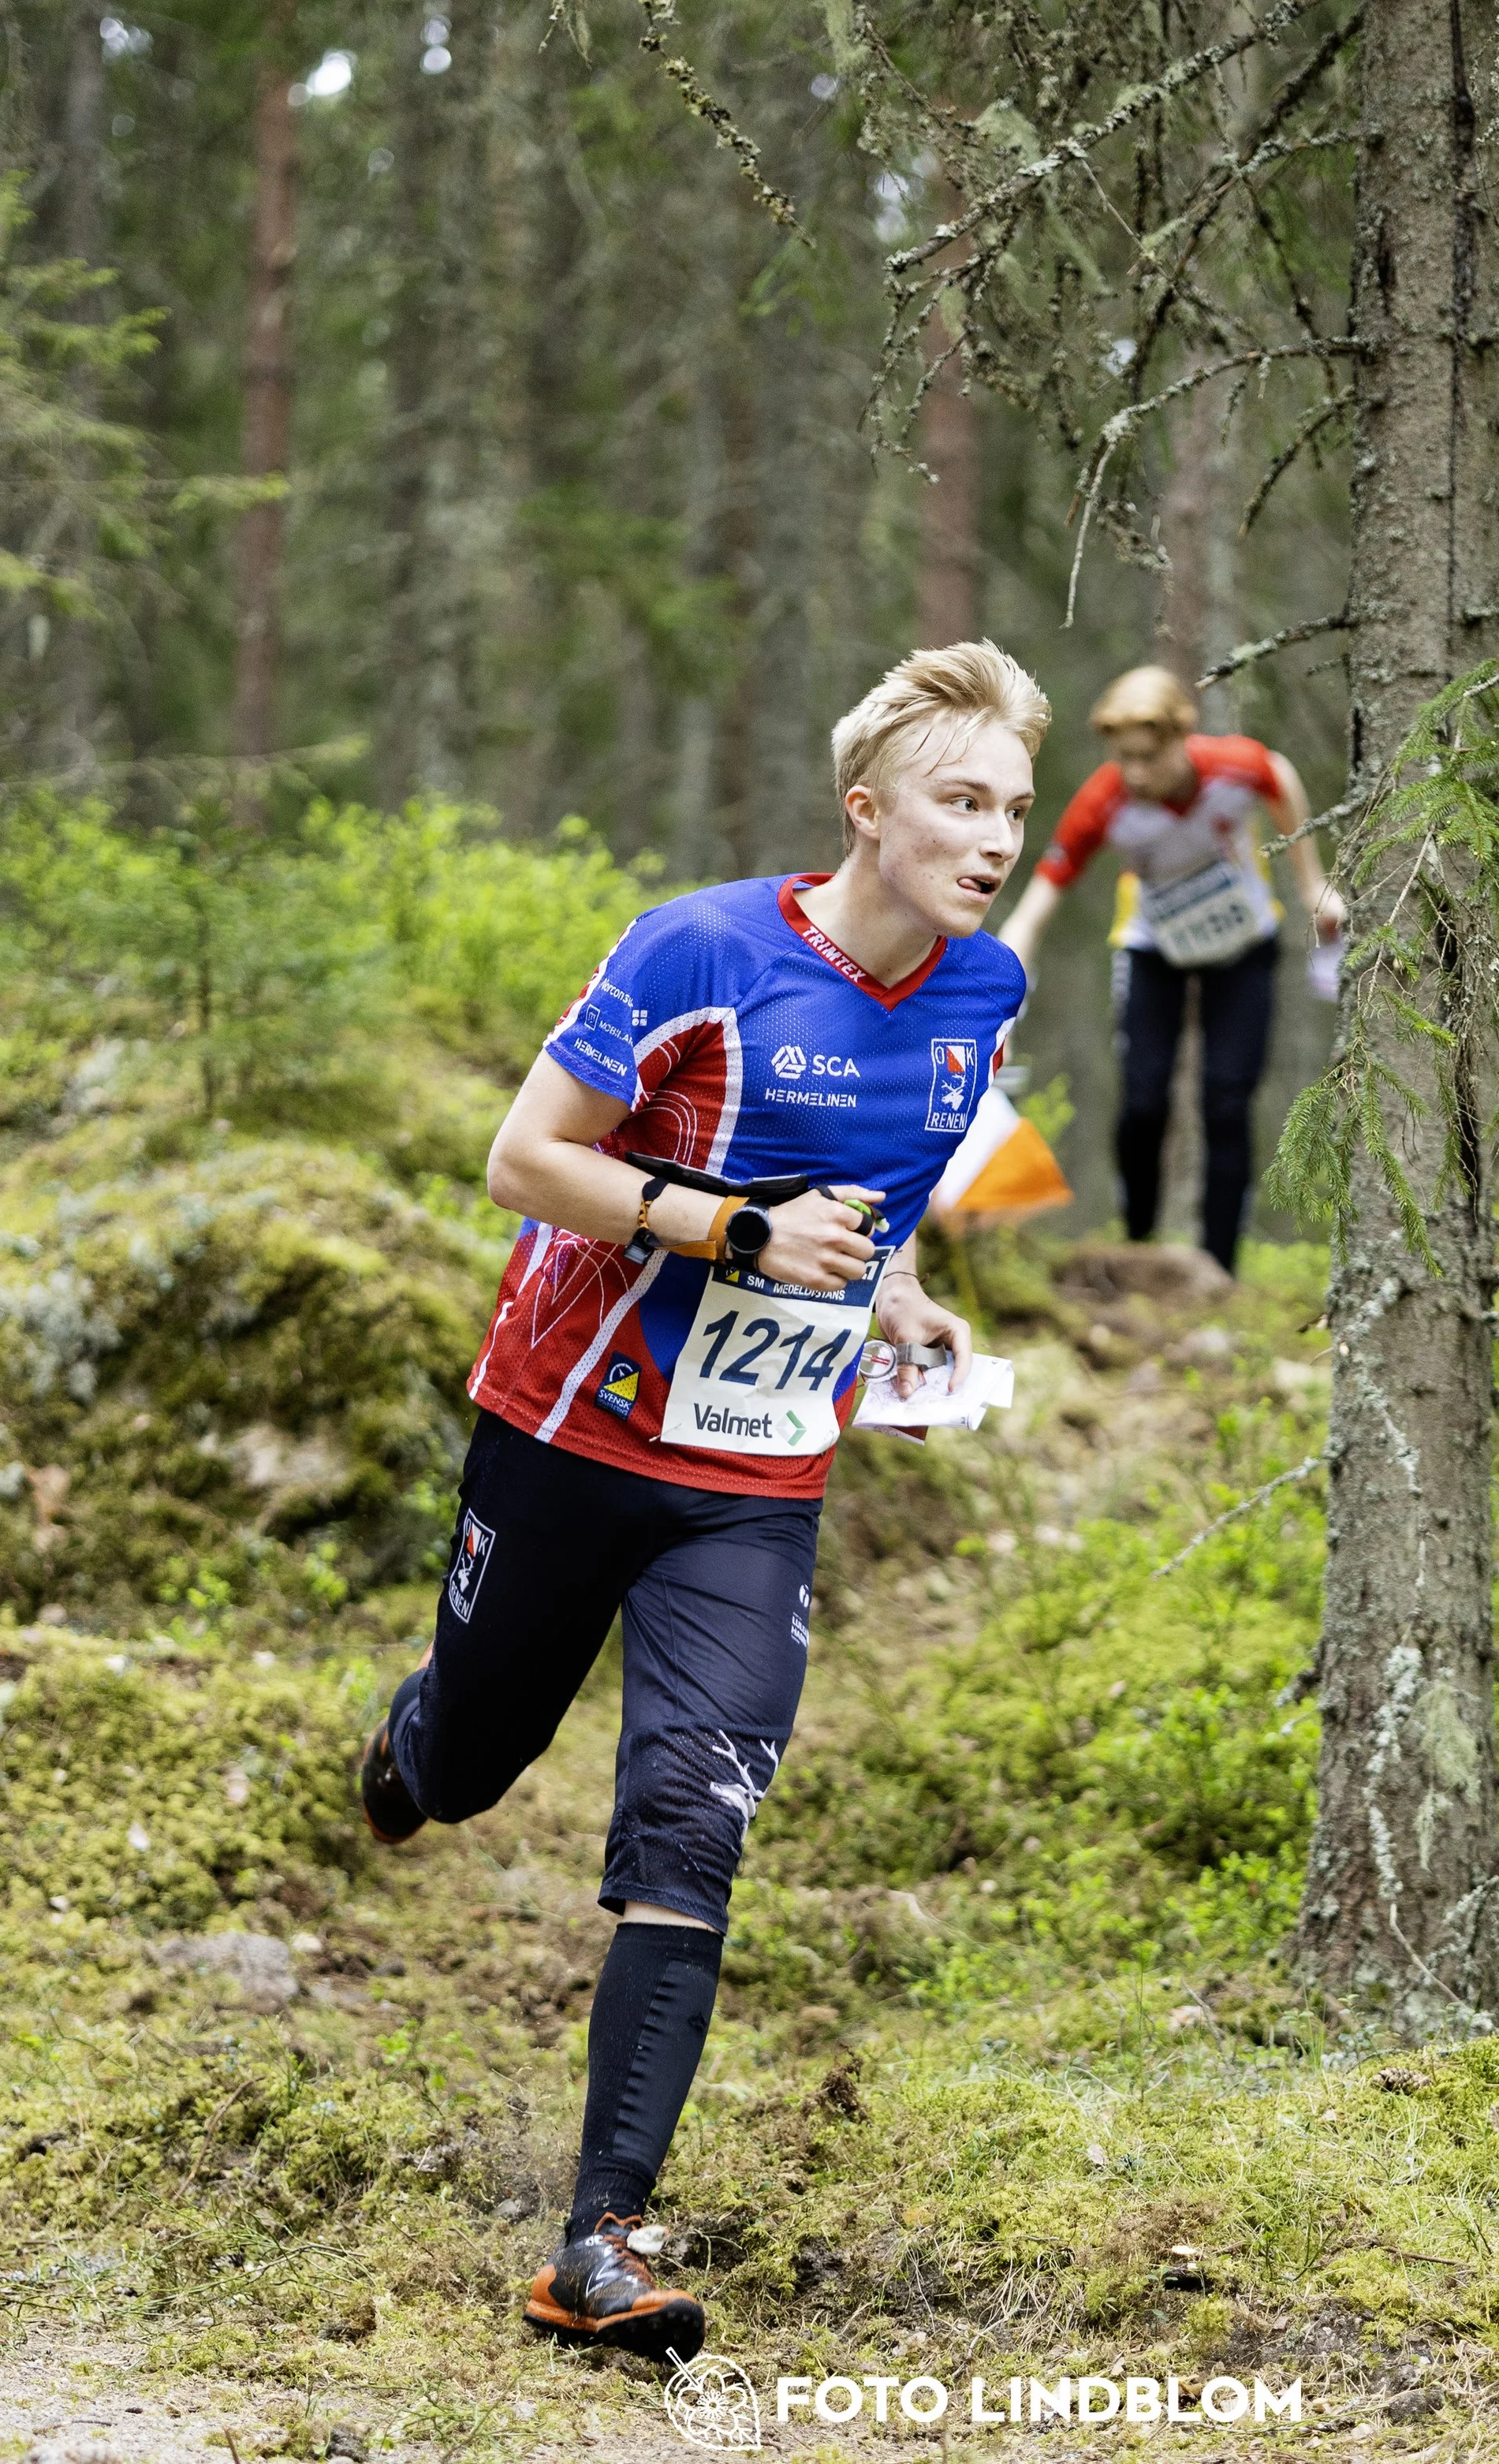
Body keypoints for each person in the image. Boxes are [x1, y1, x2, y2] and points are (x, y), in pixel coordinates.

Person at [356, 641, 1047, 2361]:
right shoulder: (705, 947)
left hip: (751, 1476)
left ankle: (597, 2234)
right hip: (569, 1428)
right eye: (960, 802)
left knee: (693, 1816)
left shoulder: (980, 993)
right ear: (864, 811)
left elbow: (876, 1191)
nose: (993, 840)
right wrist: (730, 1227)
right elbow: (527, 1158)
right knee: (471, 1766)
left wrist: (888, 1297)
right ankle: (420, 1730)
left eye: (1014, 810)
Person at [997, 665, 1345, 1273]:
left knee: (1226, 1102)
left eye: (1148, 757)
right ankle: (1139, 1250)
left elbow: (1280, 773)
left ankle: (1217, 1268)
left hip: (1243, 946)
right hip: (1153, 949)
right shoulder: (1106, 801)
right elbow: (1039, 902)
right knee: (1143, 1100)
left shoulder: (1235, 767)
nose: (1134, 772)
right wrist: (1008, 962)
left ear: (1182, 737)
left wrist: (1313, 882)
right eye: (1123, 756)